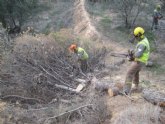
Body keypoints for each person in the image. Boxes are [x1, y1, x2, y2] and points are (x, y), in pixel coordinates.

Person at [123, 27, 150, 95]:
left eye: (136, 36)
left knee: (129, 73)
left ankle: (126, 90)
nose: (135, 38)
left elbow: (138, 55)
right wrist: (133, 51)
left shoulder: (142, 44)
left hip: (139, 61)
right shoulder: (144, 39)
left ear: (139, 35)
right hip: (142, 61)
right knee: (136, 73)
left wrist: (131, 57)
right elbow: (139, 51)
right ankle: (136, 86)